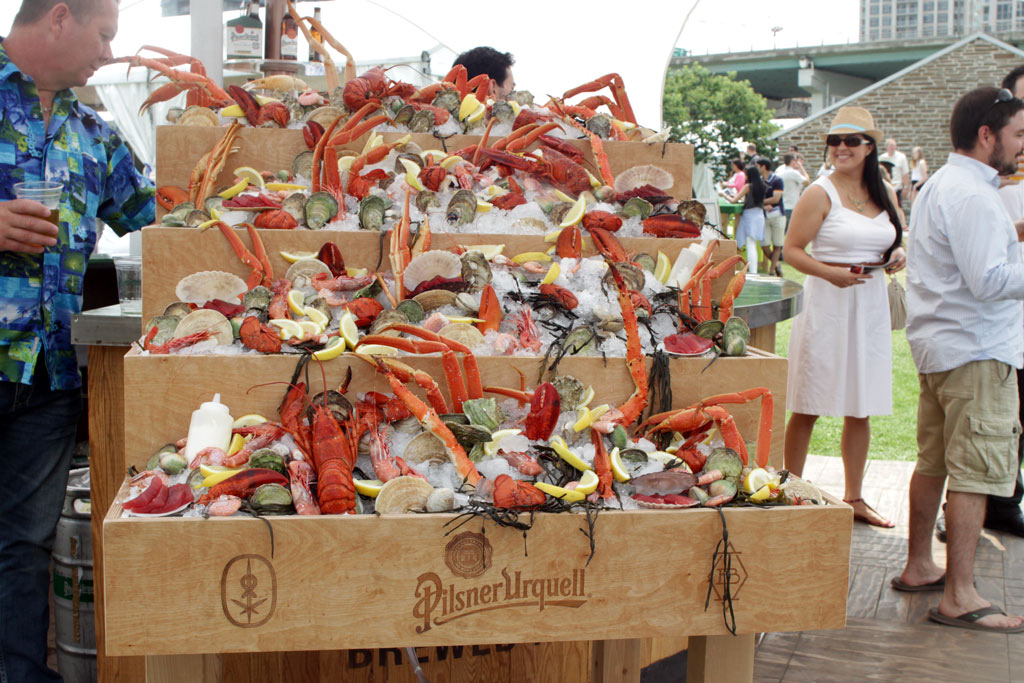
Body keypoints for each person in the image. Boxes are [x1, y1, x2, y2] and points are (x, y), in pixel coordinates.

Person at [0, 1, 156, 679]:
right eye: (105, 34)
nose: (110, 53)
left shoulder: (96, 133)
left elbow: (168, 213)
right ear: (60, 17)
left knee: (25, 549)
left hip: (50, 377)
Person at [895, 87, 1024, 634]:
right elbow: (988, 280)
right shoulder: (973, 194)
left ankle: (920, 564)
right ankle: (960, 595)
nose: (1022, 145)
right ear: (986, 134)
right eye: (1018, 134)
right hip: (976, 350)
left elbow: (968, 258)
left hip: (943, 348)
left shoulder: (941, 185)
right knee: (973, 472)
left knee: (934, 462)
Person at [782, 106, 906, 528]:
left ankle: (855, 498)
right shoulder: (819, 192)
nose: (841, 148)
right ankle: (791, 493)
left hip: (869, 305)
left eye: (851, 141)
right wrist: (829, 273)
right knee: (808, 402)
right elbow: (791, 250)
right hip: (827, 304)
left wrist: (897, 254)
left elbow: (894, 237)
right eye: (834, 141)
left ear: (869, 147)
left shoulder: (883, 190)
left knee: (861, 405)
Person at [732, 163, 766, 274]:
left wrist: (724, 194)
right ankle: (753, 270)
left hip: (749, 216)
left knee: (749, 244)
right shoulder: (763, 186)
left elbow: (734, 200)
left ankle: (752, 271)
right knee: (753, 244)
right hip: (759, 215)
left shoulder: (748, 187)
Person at [756, 156, 786, 276]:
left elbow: (776, 198)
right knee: (764, 245)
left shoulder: (777, 180)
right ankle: (777, 264)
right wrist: (763, 204)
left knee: (777, 244)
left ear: (763, 167)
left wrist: (761, 202)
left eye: (758, 166)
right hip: (764, 216)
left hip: (778, 215)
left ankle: (772, 271)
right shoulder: (758, 181)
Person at [776, 152, 809, 231]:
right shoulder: (793, 173)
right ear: (793, 161)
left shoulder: (779, 171)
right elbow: (807, 182)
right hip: (792, 205)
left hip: (782, 205)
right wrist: (801, 167)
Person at [879, 138, 911, 205]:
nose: (892, 147)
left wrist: (905, 187)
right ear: (887, 147)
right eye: (890, 145)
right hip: (885, 187)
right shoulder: (882, 158)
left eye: (894, 145)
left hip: (897, 187)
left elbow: (905, 173)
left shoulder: (901, 157)